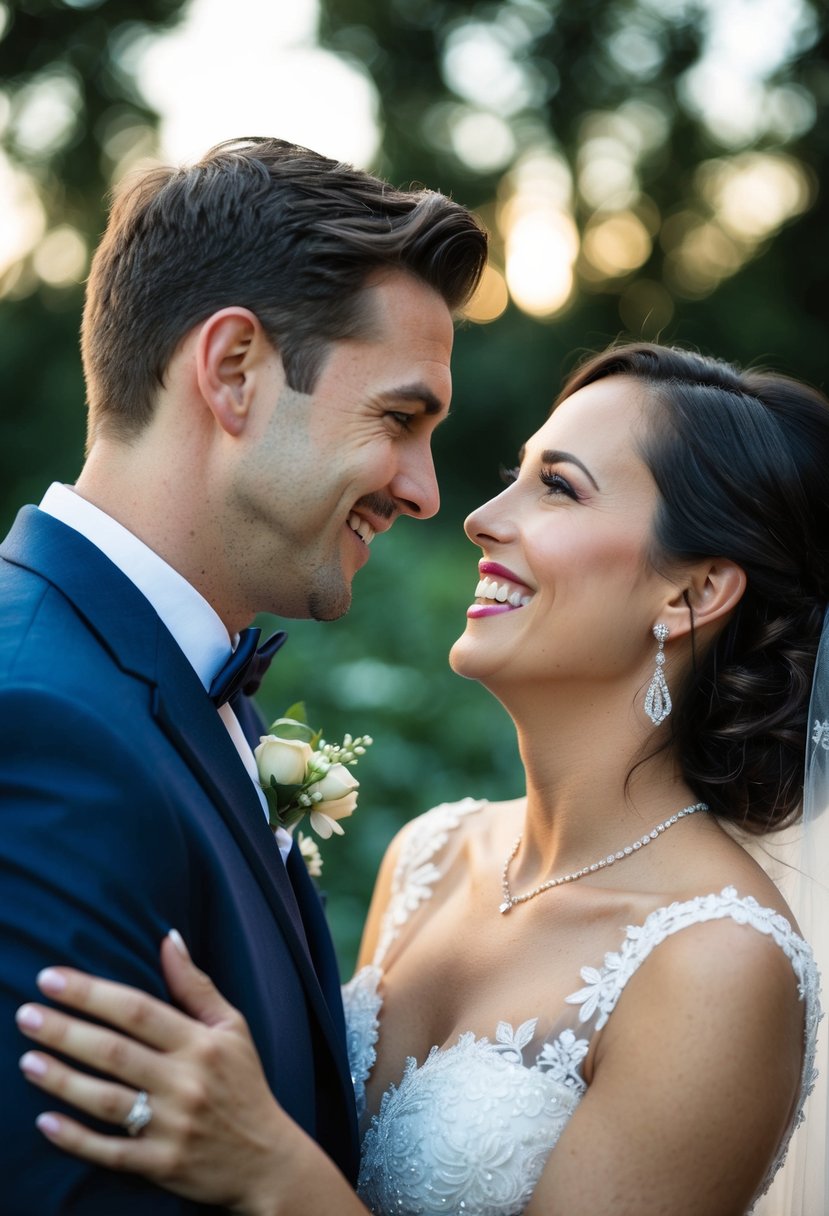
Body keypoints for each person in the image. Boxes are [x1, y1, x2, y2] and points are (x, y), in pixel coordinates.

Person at [14, 342, 828, 1215]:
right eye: (513, 475)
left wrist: (272, 1174)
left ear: (691, 593)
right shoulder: (431, 854)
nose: (478, 517)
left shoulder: (716, 961)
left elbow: (292, 1161)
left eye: (558, 487)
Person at [0, 136, 487, 1214]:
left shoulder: (176, 683)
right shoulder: (36, 722)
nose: (424, 491)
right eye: (399, 419)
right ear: (232, 371)